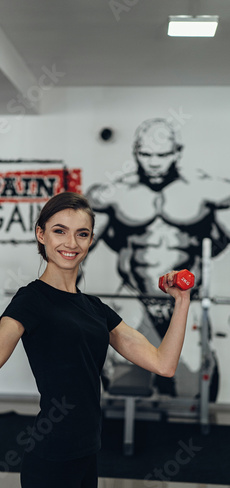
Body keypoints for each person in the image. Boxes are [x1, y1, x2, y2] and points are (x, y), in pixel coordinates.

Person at [0, 191, 191, 488]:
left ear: (90, 240)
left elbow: (163, 364)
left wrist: (182, 301)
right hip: (51, 457)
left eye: (81, 234)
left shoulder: (96, 308)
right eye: (59, 231)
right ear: (41, 234)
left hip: (88, 452)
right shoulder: (31, 300)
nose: (71, 243)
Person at [86, 118, 230, 397]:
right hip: (133, 295)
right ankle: (127, 434)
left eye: (162, 155)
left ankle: (188, 434)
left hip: (186, 296)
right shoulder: (112, 195)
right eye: (145, 154)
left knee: (194, 384)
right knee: (122, 381)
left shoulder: (209, 191)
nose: (153, 163)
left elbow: (223, 240)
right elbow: (79, 250)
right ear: (135, 153)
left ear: (177, 152)